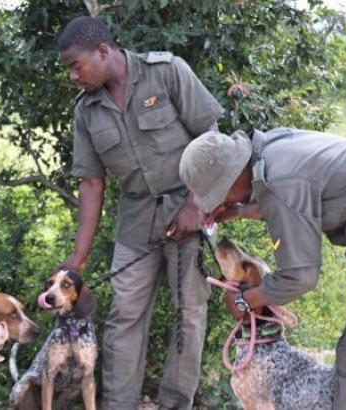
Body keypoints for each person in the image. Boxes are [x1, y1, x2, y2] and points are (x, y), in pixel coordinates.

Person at [57, 16, 224, 410]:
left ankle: (174, 404)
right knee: (123, 316)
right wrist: (77, 258)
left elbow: (213, 137)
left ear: (102, 52)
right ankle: (119, 404)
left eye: (75, 65)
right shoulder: (86, 110)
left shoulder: (166, 73)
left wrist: (194, 204)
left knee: (190, 317)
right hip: (136, 222)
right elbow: (92, 184)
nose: (72, 76)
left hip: (190, 212)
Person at [179, 128, 346, 410]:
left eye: (220, 196)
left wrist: (245, 300)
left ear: (232, 175)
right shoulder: (271, 151)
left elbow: (300, 275)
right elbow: (293, 202)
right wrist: (239, 211)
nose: (224, 203)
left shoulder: (280, 179)